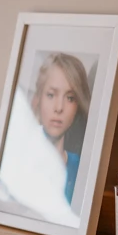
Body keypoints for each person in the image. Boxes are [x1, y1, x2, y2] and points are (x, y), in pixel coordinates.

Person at [30, 53, 91, 205]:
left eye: (70, 98)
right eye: (51, 95)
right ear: (38, 99)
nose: (59, 108)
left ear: (77, 107)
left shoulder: (82, 168)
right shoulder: (19, 160)